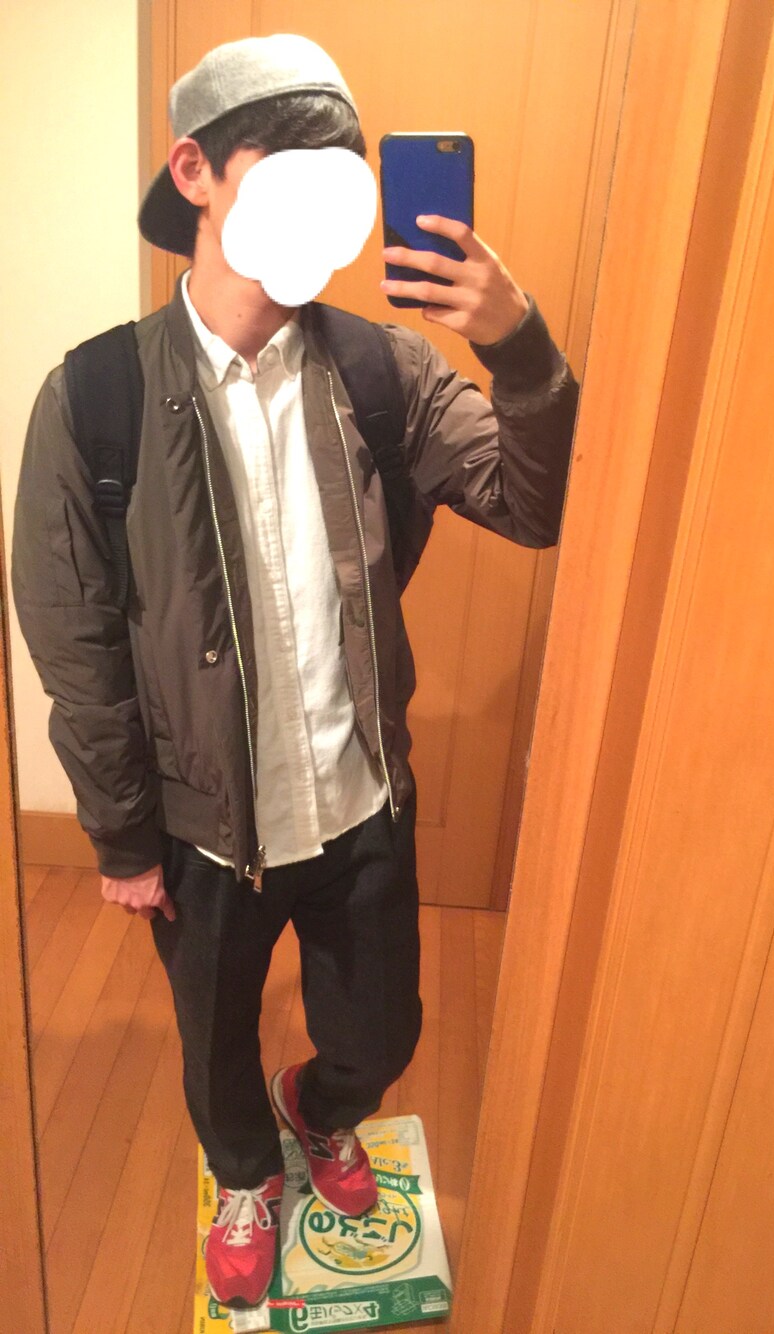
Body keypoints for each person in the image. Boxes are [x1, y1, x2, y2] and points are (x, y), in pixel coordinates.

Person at [11, 33, 578, 1310]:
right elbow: (72, 635)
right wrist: (120, 832)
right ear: (196, 173)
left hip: (359, 797)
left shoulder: (383, 369)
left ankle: (320, 1108)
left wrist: (521, 348)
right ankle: (244, 1173)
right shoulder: (95, 397)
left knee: (378, 1035)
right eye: (287, 165)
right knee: (211, 1041)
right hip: (201, 822)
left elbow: (533, 503)